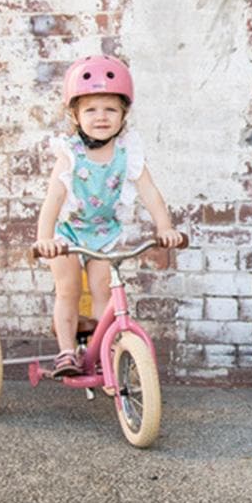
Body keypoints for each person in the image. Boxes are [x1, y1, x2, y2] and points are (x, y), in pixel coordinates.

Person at [34, 54, 182, 376]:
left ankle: (105, 349)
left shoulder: (128, 152)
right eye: (90, 109)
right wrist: (45, 239)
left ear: (123, 114)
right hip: (68, 234)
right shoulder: (70, 154)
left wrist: (165, 226)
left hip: (104, 232)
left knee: (104, 290)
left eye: (110, 109)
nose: (101, 117)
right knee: (69, 289)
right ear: (74, 114)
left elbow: (150, 192)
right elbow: (53, 198)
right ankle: (66, 352)